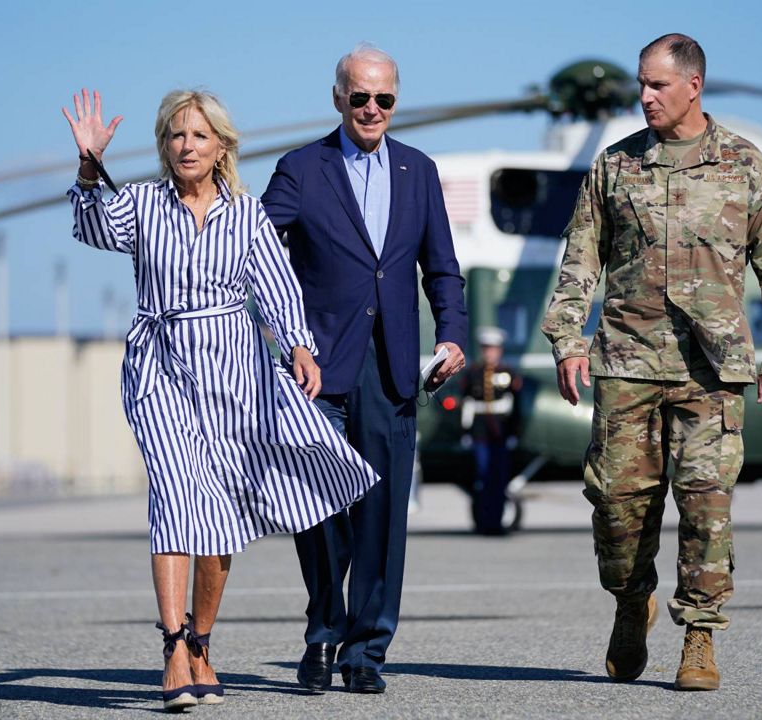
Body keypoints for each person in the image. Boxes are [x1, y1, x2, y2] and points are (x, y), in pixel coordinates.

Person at [62, 88, 379, 712]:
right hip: (159, 365)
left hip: (235, 366)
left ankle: (203, 641)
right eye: (177, 136)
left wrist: (299, 347)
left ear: (221, 148)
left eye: (200, 136)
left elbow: (277, 286)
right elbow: (92, 225)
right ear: (164, 146)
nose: (187, 146)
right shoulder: (142, 204)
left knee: (218, 514)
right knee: (176, 496)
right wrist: (88, 165)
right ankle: (174, 646)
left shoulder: (248, 214)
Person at [541, 34, 762, 692]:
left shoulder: (747, 169)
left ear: (693, 86)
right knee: (617, 508)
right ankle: (632, 603)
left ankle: (699, 635)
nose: (645, 96)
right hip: (627, 364)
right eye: (641, 84)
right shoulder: (614, 166)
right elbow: (580, 262)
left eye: (658, 85)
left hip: (710, 373)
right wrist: (568, 340)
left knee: (705, 505)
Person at [261, 43, 468, 694]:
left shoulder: (419, 171)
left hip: (393, 373)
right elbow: (254, 255)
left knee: (381, 517)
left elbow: (441, 269)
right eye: (360, 98)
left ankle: (365, 652)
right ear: (338, 99)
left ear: (396, 102)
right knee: (317, 508)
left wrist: (454, 336)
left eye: (384, 99)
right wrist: (278, 334)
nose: (372, 109)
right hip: (317, 371)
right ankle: (324, 630)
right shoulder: (301, 169)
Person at [459, 326, 523, 535]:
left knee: (499, 478)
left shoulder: (508, 374)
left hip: (501, 432)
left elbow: (516, 406)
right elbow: (466, 404)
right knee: (482, 477)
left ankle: (496, 522)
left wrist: (514, 433)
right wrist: (465, 433)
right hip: (480, 433)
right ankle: (484, 522)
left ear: (500, 350)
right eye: (486, 348)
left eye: (493, 349)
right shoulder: (473, 373)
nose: (489, 353)